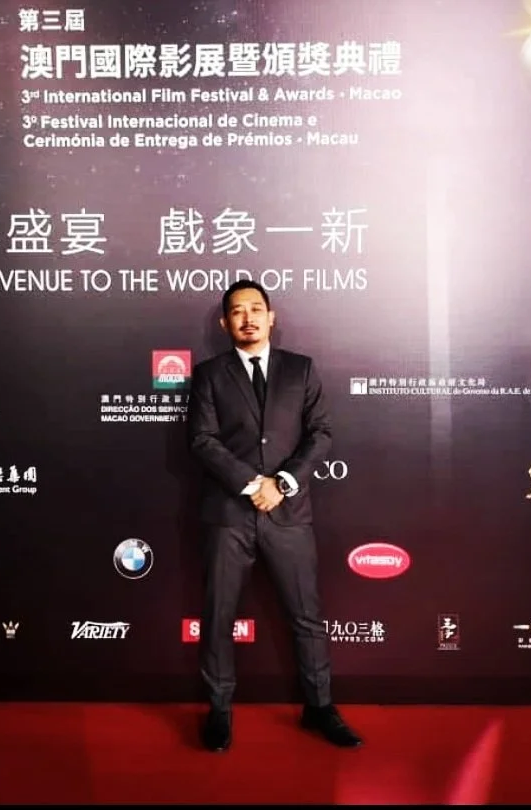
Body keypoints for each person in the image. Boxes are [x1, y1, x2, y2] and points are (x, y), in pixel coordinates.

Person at [187, 279, 363, 752]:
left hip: (289, 512)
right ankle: (219, 711)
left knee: (307, 616)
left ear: (271, 317)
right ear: (225, 322)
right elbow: (202, 440)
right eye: (237, 311)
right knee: (219, 616)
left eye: (256, 309)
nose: (248, 318)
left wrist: (281, 483)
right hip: (228, 515)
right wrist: (251, 483)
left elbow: (321, 433)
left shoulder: (300, 370)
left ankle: (319, 707)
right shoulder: (209, 375)